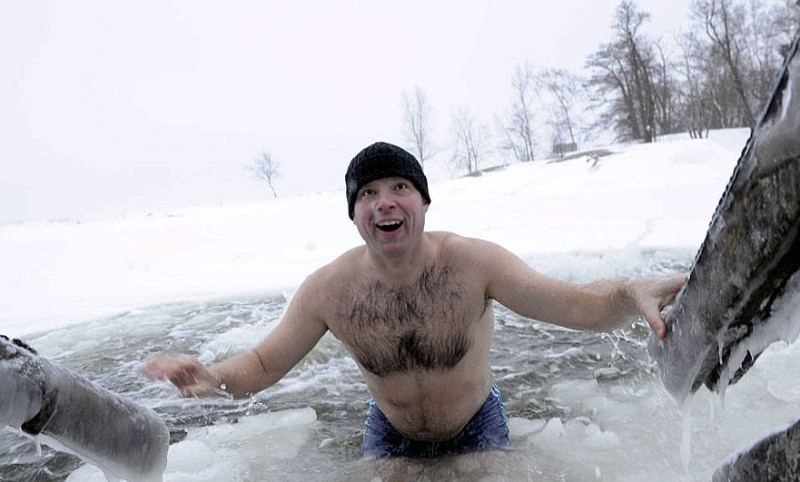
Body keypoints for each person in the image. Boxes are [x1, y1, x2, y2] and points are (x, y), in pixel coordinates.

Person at [141, 141, 685, 459]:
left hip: (477, 424)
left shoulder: (474, 264)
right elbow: (263, 363)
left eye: (399, 187)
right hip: (390, 433)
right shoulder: (329, 290)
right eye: (367, 194)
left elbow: (571, 304)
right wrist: (213, 376)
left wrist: (628, 291)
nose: (384, 203)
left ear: (423, 200)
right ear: (354, 214)